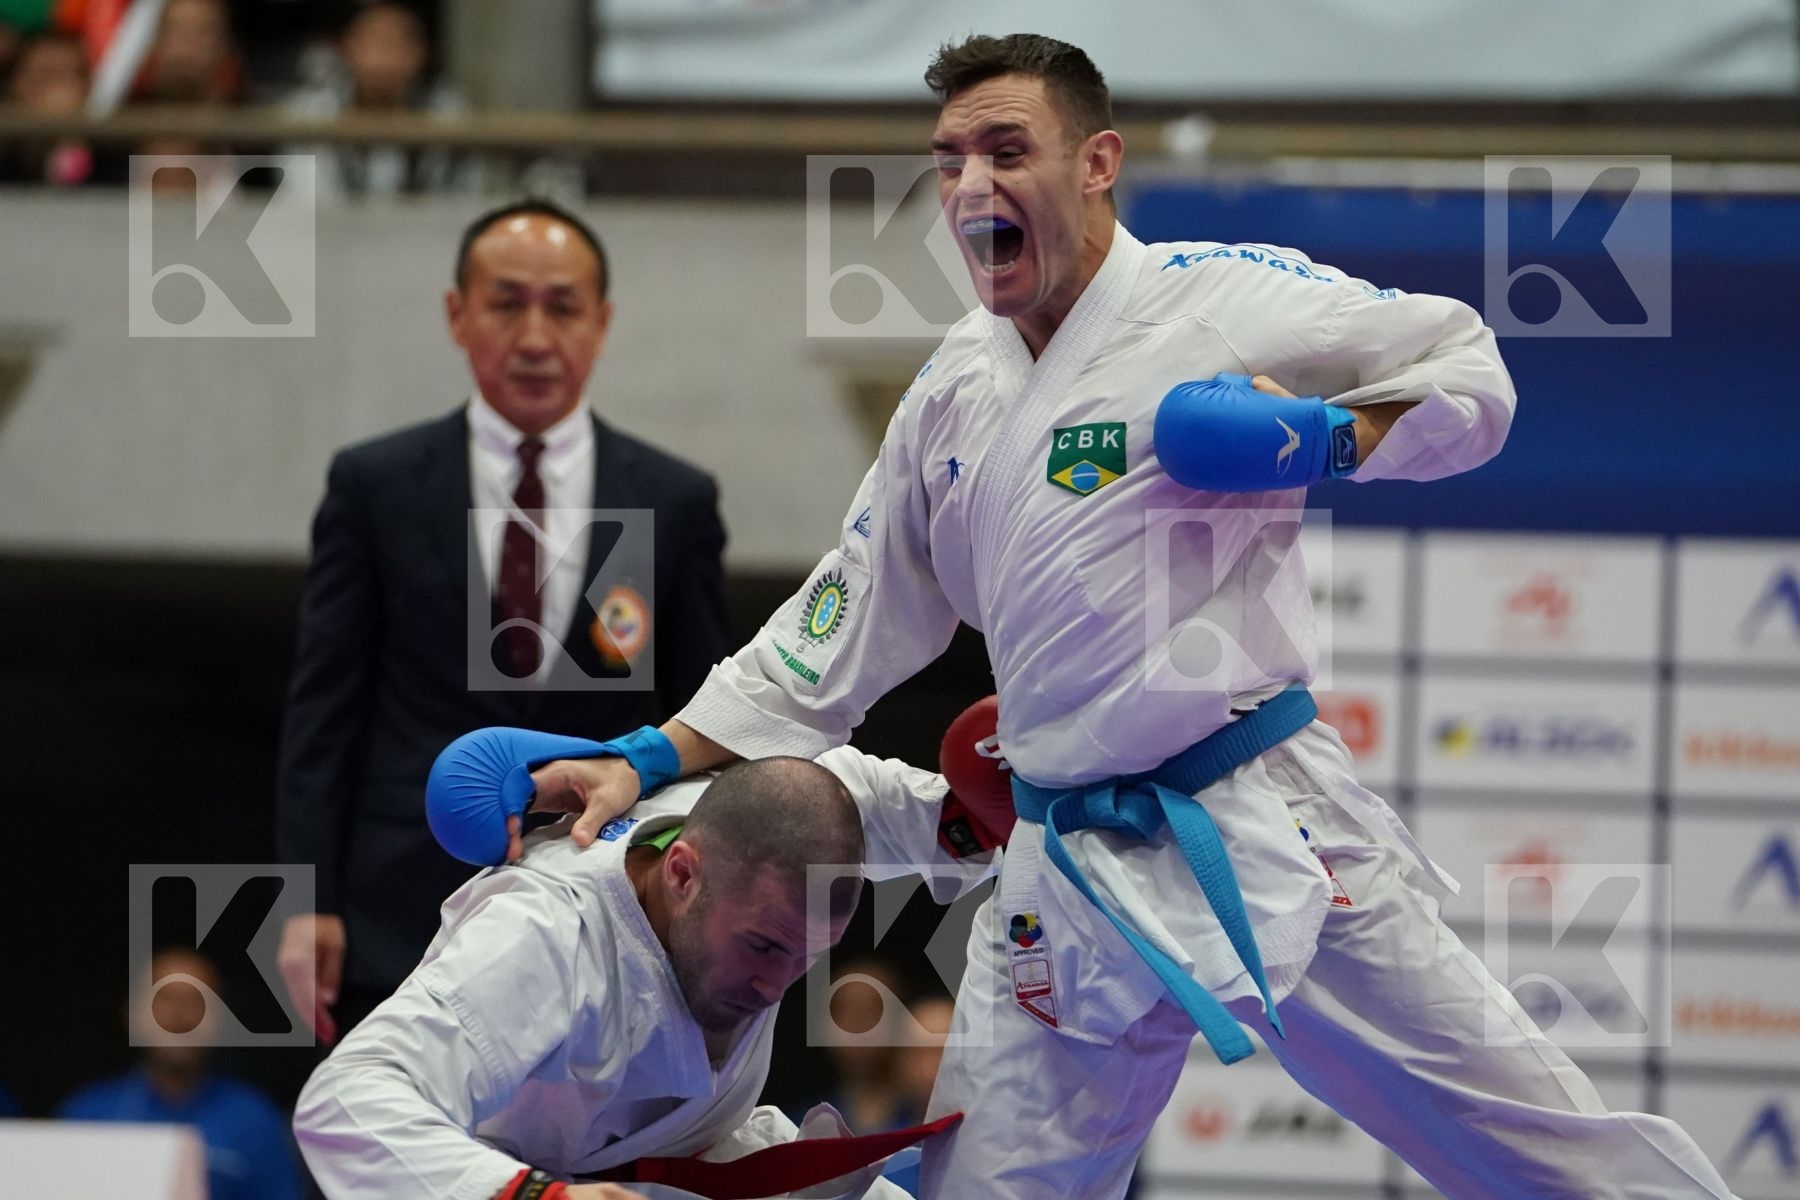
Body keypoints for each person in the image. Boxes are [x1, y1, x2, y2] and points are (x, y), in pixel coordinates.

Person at [514, 32, 1741, 1200]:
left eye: (1006, 151)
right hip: (1067, 862)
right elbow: (838, 621)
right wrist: (647, 752)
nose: (969, 186)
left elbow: (1470, 370)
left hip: (1256, 821)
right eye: (948, 162)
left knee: (1525, 1136)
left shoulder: (1221, 300)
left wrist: (1325, 439)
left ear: (1096, 163)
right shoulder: (953, 389)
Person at [275, 199, 731, 1046]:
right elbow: (322, 714)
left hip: (600, 896)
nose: (533, 336)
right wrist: (310, 899)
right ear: (457, 314)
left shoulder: (670, 500)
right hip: (398, 897)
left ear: (601, 322)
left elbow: (706, 719)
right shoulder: (376, 485)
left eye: (561, 307)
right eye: (505, 302)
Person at [294, 747, 993, 1199]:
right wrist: (537, 1197)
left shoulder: (775, 812)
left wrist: (1033, 807)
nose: (777, 984)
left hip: (696, 1164)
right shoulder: (544, 936)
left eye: (807, 955)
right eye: (762, 946)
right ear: (682, 873)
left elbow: (927, 805)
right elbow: (346, 1099)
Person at [58, 947, 303, 1200]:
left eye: (198, 1000)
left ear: (222, 1019)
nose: (179, 1014)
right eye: (163, 998)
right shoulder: (87, 1115)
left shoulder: (257, 1121)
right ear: (132, 1013)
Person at [283, 2, 476, 200]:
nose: (384, 57)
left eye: (399, 43)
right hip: (331, 226)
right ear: (347, 46)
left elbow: (460, 197)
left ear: (421, 53)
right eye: (373, 42)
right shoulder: (311, 111)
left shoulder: (446, 113)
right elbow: (304, 197)